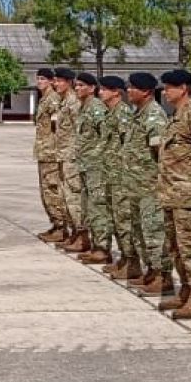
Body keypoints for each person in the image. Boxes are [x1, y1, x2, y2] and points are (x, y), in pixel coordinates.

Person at [155, 70, 191, 319]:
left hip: (190, 196)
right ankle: (186, 291)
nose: (165, 92)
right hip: (173, 193)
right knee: (176, 247)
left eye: (169, 87)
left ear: (183, 89)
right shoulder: (176, 116)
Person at [123, 72, 170, 293]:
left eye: (133, 87)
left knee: (154, 233)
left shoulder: (155, 117)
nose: (129, 91)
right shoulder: (138, 115)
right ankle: (151, 271)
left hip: (149, 186)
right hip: (135, 185)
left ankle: (163, 276)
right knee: (140, 232)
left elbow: (160, 154)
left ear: (147, 92)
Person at [98, 76, 135, 278]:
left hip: (121, 176)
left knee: (124, 220)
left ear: (116, 92)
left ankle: (131, 261)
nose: (100, 92)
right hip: (110, 174)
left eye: (104, 89)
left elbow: (127, 145)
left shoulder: (123, 114)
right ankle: (124, 259)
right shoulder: (109, 113)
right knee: (115, 219)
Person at [74, 72, 112, 265]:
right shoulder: (84, 107)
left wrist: (96, 156)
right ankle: (94, 244)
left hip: (96, 166)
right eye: (76, 85)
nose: (77, 88)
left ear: (91, 88)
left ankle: (102, 247)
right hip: (86, 165)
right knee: (88, 206)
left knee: (98, 206)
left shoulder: (96, 108)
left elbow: (106, 136)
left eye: (81, 85)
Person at [51, 67, 84, 251]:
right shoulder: (63, 103)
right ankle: (74, 233)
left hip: (72, 157)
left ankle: (82, 235)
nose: (56, 84)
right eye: (55, 81)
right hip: (63, 156)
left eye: (60, 81)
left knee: (74, 197)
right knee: (65, 197)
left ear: (69, 82)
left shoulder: (74, 103)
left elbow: (80, 132)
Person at [33, 68, 65, 243]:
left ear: (51, 81)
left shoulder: (52, 99)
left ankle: (61, 226)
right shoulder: (44, 99)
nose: (39, 82)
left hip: (51, 152)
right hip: (44, 151)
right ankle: (55, 224)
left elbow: (58, 123)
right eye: (38, 78)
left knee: (52, 188)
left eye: (43, 79)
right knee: (45, 189)